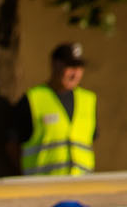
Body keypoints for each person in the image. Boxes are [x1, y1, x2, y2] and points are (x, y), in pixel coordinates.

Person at [15, 43, 96, 177]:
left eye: (79, 67)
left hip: (82, 185)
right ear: (55, 65)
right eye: (70, 66)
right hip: (43, 186)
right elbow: (13, 146)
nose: (75, 73)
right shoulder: (33, 98)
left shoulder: (89, 100)